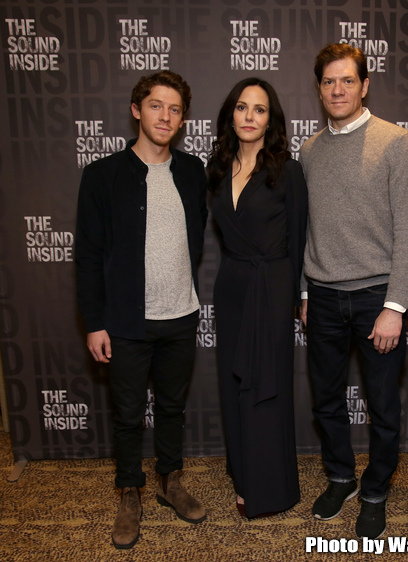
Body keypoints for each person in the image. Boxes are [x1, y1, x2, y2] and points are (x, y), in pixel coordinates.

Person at [75, 70, 208, 549]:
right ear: (137, 110)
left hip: (180, 314)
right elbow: (88, 257)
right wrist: (95, 324)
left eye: (174, 109)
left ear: (183, 118)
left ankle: (170, 480)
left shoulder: (193, 172)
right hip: (127, 321)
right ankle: (130, 490)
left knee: (172, 407)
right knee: (129, 413)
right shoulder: (103, 175)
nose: (165, 116)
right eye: (156, 106)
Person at [299, 43, 408, 539]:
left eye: (347, 80)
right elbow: (307, 229)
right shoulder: (309, 150)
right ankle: (340, 477)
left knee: (383, 406)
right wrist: (307, 292)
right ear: (319, 88)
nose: (337, 89)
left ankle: (375, 490)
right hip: (324, 297)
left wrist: (396, 307)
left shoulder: (396, 142)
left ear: (365, 84)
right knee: (326, 399)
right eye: (329, 81)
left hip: (378, 297)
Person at [206, 77, 308, 519]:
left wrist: (302, 294)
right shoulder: (216, 166)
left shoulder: (287, 170)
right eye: (243, 107)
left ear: (272, 118)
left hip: (272, 284)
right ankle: (244, 475)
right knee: (233, 383)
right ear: (232, 113)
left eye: (260, 109)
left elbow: (301, 238)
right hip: (231, 285)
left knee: (266, 385)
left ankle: (271, 488)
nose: (250, 116)